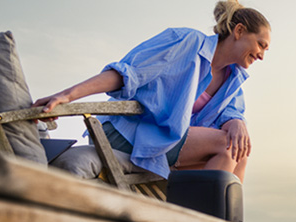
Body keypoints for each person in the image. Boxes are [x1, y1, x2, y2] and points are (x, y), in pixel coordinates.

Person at [38, 1, 270, 183]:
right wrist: (67, 95)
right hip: (129, 133)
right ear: (239, 31)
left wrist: (238, 122)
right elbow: (128, 74)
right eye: (260, 44)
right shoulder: (186, 42)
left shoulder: (233, 78)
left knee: (240, 150)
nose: (261, 55)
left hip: (169, 141)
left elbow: (231, 112)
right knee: (227, 145)